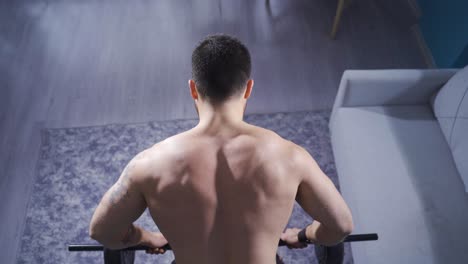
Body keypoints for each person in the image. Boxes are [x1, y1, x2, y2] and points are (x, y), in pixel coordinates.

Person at [89, 34, 354, 264]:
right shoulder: (290, 157)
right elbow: (340, 226)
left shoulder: (147, 165)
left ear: (193, 89)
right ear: (249, 88)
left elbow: (103, 232)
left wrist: (146, 238)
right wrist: (303, 234)